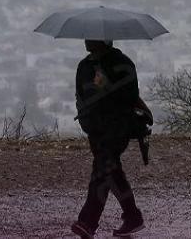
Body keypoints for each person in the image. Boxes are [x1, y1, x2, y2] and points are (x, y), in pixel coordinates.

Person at [71, 39, 145, 238]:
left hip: (116, 128)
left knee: (102, 170)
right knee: (112, 172)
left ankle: (87, 222)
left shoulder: (122, 64)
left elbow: (130, 96)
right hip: (96, 130)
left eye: (92, 35)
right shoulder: (84, 66)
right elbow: (80, 96)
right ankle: (132, 216)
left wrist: (107, 88)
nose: (87, 40)